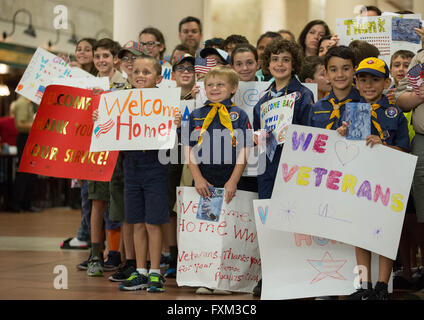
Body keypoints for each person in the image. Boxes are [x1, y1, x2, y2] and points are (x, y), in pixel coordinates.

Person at [337, 57, 409, 300]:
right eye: (363, 79)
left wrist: (383, 145)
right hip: (359, 183)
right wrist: (341, 135)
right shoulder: (352, 111)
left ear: (387, 82)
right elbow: (343, 150)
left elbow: (404, 152)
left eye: (375, 80)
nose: (369, 85)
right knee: (360, 234)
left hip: (388, 184)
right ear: (356, 82)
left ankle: (381, 287)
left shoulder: (394, 112)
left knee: (384, 235)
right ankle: (363, 285)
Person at [252, 39, 314, 296]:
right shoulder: (264, 97)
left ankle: (295, 274)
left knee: (293, 221)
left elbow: (310, 132)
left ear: (294, 63)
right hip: (267, 166)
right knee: (269, 221)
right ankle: (270, 274)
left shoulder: (303, 95)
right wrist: (257, 136)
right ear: (267, 64)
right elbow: (257, 130)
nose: (280, 64)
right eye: (275, 59)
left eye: (285, 59)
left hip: (292, 166)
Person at [117, 55, 181, 293]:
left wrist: (176, 123)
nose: (140, 76)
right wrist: (101, 119)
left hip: (156, 166)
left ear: (158, 77)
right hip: (131, 167)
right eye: (136, 72)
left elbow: (174, 140)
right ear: (130, 75)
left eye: (146, 72)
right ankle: (140, 271)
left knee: (154, 221)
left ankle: (155, 272)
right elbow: (112, 129)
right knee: (136, 221)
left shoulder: (165, 102)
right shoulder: (122, 101)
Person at [184, 66, 250, 295]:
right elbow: (189, 149)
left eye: (220, 85)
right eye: (210, 85)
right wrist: (198, 178)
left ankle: (225, 281)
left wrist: (233, 180)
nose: (214, 89)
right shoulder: (196, 115)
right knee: (208, 230)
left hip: (229, 177)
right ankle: (207, 278)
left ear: (233, 88)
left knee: (229, 231)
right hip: (206, 181)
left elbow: (244, 149)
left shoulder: (240, 115)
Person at [84, 38, 129, 277]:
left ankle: (119, 254)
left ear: (115, 59)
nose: (102, 60)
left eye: (106, 56)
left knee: (120, 203)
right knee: (97, 201)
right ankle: (94, 254)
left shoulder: (125, 84)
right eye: (98, 56)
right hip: (97, 152)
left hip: (119, 153)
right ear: (93, 59)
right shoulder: (86, 84)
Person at [60, 38, 98, 250]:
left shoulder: (96, 79)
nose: (82, 53)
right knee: (84, 191)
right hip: (76, 140)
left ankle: (87, 235)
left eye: (88, 49)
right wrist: (62, 70)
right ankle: (86, 233)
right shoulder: (71, 74)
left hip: (92, 141)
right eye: (79, 49)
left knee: (91, 193)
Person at [163, 53, 196, 279]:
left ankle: (191, 255)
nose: (186, 71)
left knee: (190, 208)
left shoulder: (204, 98)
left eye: (190, 68)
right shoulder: (163, 98)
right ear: (173, 74)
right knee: (171, 209)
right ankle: (174, 257)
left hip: (195, 157)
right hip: (169, 156)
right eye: (181, 68)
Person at [395, 49, 424, 299]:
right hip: (418, 148)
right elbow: (401, 98)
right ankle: (411, 269)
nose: (402, 66)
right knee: (417, 216)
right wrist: (417, 95)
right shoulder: (420, 60)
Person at [310, 46, 361, 130]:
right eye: (333, 70)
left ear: (354, 70)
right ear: (326, 73)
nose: (340, 75)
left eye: (346, 69)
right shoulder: (317, 108)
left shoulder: (363, 104)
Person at [8, 94, 39, 213]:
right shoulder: (22, 103)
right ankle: (16, 203)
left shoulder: (28, 102)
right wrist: (37, 124)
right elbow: (20, 124)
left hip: (29, 137)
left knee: (31, 171)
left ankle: (26, 203)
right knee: (24, 171)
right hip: (24, 138)